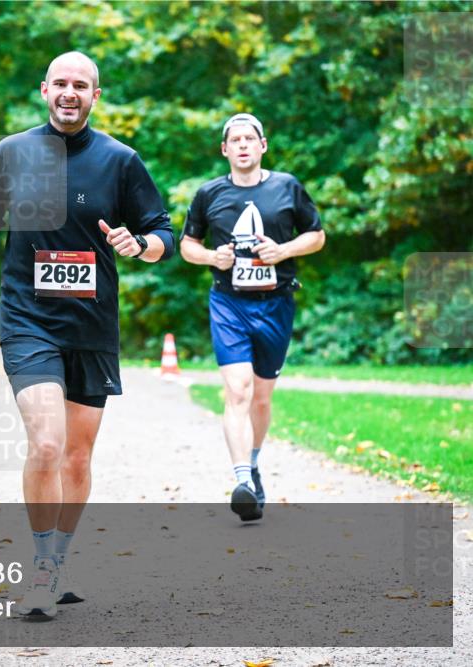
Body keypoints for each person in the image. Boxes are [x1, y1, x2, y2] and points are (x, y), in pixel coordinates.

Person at [0, 51, 174, 619]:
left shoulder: (120, 160)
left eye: (81, 85)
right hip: (27, 319)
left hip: (91, 326)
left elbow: (163, 233)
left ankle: (58, 558)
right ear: (44, 89)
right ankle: (41, 567)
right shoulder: (13, 151)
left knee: (77, 458)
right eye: (61, 83)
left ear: (95, 96)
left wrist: (139, 244)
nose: (69, 92)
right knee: (48, 444)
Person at [179, 113, 325, 522]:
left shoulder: (287, 187)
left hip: (276, 302)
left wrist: (285, 250)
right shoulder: (209, 193)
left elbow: (317, 236)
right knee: (238, 390)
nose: (242, 145)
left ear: (263, 145)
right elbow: (188, 245)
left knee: (261, 396)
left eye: (249, 139)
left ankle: (254, 463)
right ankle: (242, 480)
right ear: (224, 149)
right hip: (229, 303)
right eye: (235, 140)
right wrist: (212, 256)